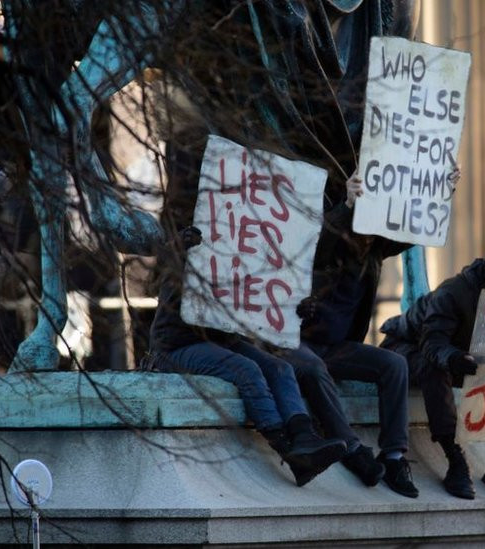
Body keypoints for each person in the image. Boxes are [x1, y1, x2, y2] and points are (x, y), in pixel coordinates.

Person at [144, 142, 346, 488]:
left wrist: (296, 306)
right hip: (176, 345)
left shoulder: (252, 246)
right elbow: (156, 279)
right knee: (247, 369)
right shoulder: (190, 241)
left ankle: (305, 440)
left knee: (280, 367)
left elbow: (264, 300)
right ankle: (286, 447)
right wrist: (178, 250)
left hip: (224, 338)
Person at [284, 169, 455, 498]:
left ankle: (393, 456)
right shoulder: (326, 243)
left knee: (394, 364)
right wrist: (348, 204)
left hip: (338, 347)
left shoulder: (375, 249)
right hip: (297, 341)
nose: (369, 235)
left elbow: (416, 227)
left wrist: (440, 190)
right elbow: (322, 236)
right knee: (314, 370)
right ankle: (350, 449)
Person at [378, 239, 485, 501]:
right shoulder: (453, 293)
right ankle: (454, 459)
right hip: (407, 346)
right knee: (434, 370)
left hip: (462, 354)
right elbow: (432, 343)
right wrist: (453, 358)